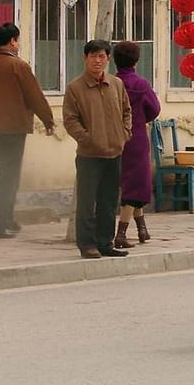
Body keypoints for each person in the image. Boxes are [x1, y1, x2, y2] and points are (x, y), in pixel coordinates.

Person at [0, 23, 55, 239]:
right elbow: (34, 96)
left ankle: (7, 219)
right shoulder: (19, 66)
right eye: (18, 40)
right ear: (13, 41)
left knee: (7, 173)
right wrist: (48, 120)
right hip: (14, 129)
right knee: (9, 176)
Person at [63, 40, 132, 259]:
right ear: (85, 58)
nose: (97, 61)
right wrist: (87, 139)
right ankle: (87, 244)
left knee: (109, 202)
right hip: (89, 155)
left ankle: (105, 243)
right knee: (87, 203)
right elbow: (70, 120)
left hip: (114, 153)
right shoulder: (75, 87)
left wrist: (124, 134)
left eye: (102, 56)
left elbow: (127, 111)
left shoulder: (116, 84)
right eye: (93, 56)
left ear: (108, 59)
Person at [112, 41, 161, 249]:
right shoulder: (140, 84)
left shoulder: (112, 83)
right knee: (136, 184)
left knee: (131, 181)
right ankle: (121, 233)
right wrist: (140, 118)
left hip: (114, 137)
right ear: (136, 61)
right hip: (136, 136)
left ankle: (142, 229)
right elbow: (154, 109)